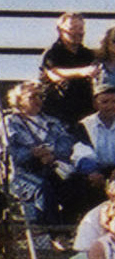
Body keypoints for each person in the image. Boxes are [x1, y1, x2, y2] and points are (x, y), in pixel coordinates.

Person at [4, 81, 79, 225]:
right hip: (22, 173)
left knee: (76, 184)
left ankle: (68, 227)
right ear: (19, 100)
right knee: (42, 188)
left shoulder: (52, 122)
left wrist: (52, 153)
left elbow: (67, 144)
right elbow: (8, 152)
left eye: (40, 96)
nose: (38, 100)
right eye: (32, 97)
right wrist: (32, 153)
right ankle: (50, 231)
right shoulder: (8, 123)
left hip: (53, 167)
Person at [39, 10, 98, 125]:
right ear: (60, 30)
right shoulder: (52, 53)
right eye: (72, 28)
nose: (78, 32)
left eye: (80, 29)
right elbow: (55, 74)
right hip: (58, 110)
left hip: (85, 111)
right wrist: (82, 72)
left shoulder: (88, 54)